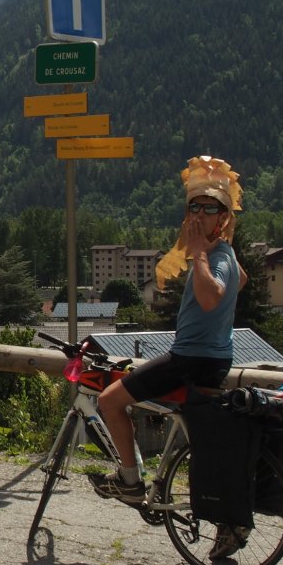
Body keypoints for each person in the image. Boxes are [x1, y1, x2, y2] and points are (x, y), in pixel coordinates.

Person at [89, 155, 248, 512]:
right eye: (194, 207)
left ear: (223, 217)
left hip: (192, 359)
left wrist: (199, 255)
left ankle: (129, 480)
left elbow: (210, 299)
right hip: (211, 358)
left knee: (109, 401)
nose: (199, 215)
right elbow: (242, 280)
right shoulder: (224, 254)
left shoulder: (215, 256)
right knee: (197, 432)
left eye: (210, 209)